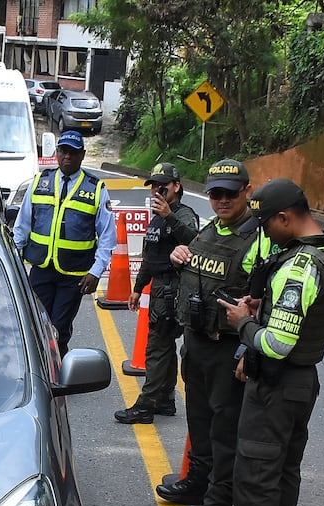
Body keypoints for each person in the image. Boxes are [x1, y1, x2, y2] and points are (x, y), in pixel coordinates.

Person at [208, 179, 324, 506]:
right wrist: (264, 305)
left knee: (256, 472)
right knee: (285, 468)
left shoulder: (300, 266)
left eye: (266, 225)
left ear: (285, 218)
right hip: (303, 381)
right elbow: (301, 315)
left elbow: (276, 343)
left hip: (277, 384)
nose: (264, 234)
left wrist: (244, 325)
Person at [153, 159, 259, 506]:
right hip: (196, 342)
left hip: (227, 347)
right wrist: (178, 256)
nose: (222, 200)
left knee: (224, 429)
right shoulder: (210, 228)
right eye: (215, 193)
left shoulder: (258, 239)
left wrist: (250, 348)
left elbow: (264, 300)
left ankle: (220, 503)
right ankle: (198, 482)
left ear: (247, 192)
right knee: (198, 420)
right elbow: (198, 274)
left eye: (230, 194)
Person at [12, 130, 116, 356]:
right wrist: (14, 260)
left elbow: (107, 237)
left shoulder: (95, 188)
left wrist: (96, 272)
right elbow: (22, 225)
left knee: (58, 328)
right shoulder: (40, 182)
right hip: (41, 269)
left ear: (83, 155)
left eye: (73, 152)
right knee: (36, 325)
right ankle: (40, 370)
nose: (67, 157)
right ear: (57, 153)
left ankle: (58, 377)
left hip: (75, 276)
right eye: (63, 151)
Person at [115, 162, 199, 424]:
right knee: (163, 347)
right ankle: (165, 399)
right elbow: (150, 257)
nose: (156, 191)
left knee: (156, 349)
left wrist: (168, 216)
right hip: (159, 289)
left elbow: (194, 239)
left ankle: (146, 405)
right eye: (153, 186)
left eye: (162, 185)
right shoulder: (155, 218)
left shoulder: (183, 214)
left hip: (174, 291)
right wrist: (138, 288)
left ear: (176, 186)